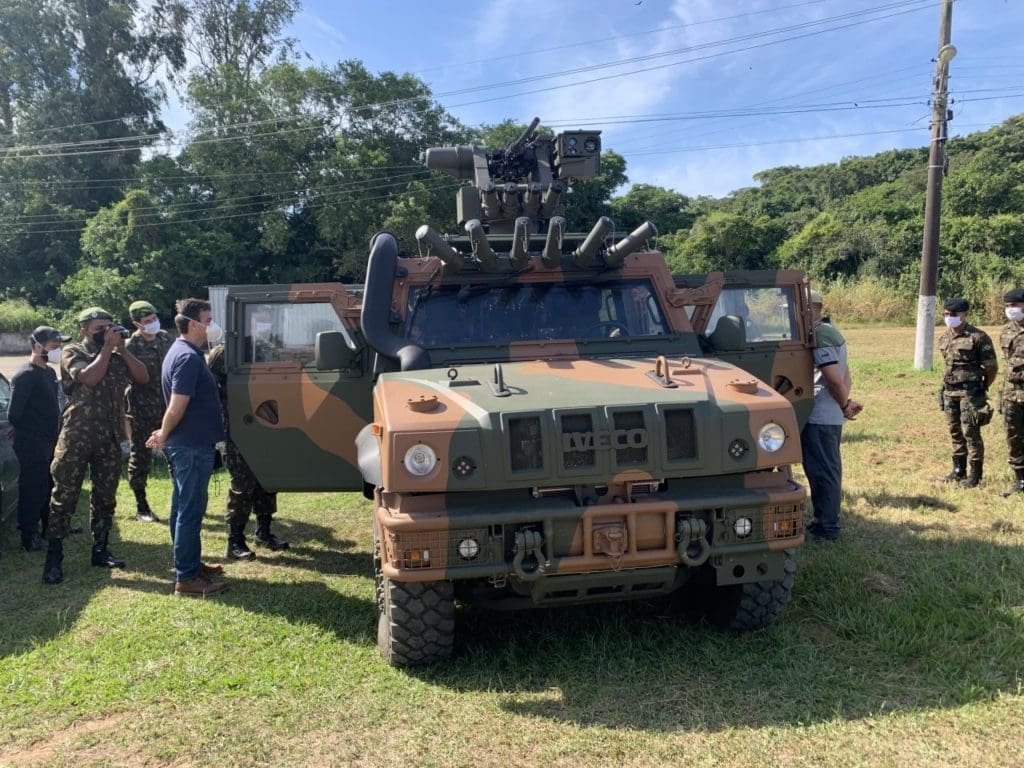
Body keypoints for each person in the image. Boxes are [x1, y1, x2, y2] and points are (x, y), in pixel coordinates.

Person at [42, 308, 149, 585]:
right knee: (64, 496)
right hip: (77, 436)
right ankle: (54, 558)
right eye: (100, 327)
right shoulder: (73, 351)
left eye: (109, 326)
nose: (106, 331)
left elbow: (143, 376)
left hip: (108, 437)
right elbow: (89, 377)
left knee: (105, 497)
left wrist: (122, 350)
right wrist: (107, 350)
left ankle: (100, 550)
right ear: (84, 330)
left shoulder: (116, 354)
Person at [147, 298, 228, 596]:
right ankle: (187, 577)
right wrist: (164, 433)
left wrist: (165, 433)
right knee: (190, 510)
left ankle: (190, 564)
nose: (211, 325)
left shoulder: (183, 352)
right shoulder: (187, 358)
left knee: (183, 506)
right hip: (191, 446)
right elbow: (177, 405)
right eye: (207, 320)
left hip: (190, 443)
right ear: (193, 324)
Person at [207, 342, 289, 560]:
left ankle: (264, 532)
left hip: (265, 422)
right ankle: (235, 541)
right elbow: (210, 388)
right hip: (236, 427)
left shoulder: (264, 348)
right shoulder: (224, 353)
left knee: (267, 480)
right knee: (242, 485)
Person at [802, 290, 862, 542]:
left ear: (810, 308)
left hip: (820, 415)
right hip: (828, 412)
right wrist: (844, 404)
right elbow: (845, 374)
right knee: (825, 469)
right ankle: (824, 522)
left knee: (823, 471)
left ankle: (827, 527)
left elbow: (834, 379)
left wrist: (844, 404)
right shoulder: (830, 331)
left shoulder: (821, 335)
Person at [8, 326, 69, 552]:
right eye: (54, 346)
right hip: (32, 444)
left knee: (48, 487)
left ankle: (48, 528)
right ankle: (29, 536)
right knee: (32, 490)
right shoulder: (25, 375)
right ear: (37, 345)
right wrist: (31, 429)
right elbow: (14, 414)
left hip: (49, 442)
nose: (57, 350)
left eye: (59, 346)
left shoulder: (49, 373)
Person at [937, 298, 997, 488]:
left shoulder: (978, 337)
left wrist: (982, 387)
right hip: (950, 392)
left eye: (954, 314)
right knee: (955, 432)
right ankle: (958, 470)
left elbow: (991, 367)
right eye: (946, 314)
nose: (949, 317)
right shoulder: (944, 337)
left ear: (966, 314)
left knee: (970, 433)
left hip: (970, 393)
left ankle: (975, 474)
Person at [125, 300, 172, 522]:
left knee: (176, 453)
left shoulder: (165, 338)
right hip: (141, 412)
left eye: (154, 318)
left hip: (168, 408)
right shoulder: (130, 347)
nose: (153, 323)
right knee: (140, 458)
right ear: (137, 324)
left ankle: (181, 499)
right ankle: (141, 505)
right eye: (147, 320)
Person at [999, 287, 1024, 496]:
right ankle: (1020, 480)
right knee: (1013, 436)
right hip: (1012, 393)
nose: (1010, 309)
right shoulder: (1007, 330)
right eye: (1007, 305)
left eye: (1014, 305)